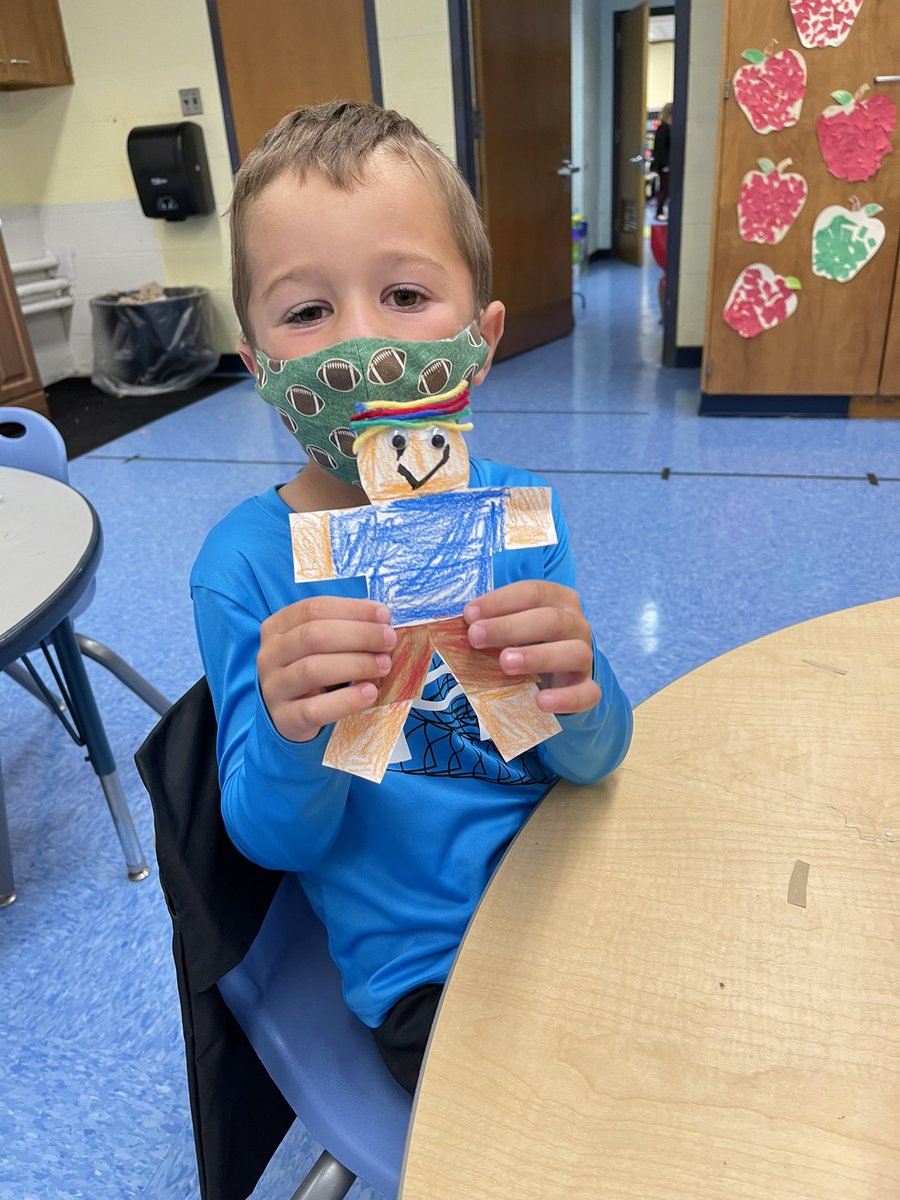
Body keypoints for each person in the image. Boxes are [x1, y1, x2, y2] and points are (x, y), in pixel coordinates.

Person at [190, 100, 633, 1096]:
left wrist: (581, 688)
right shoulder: (247, 567)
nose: (362, 345)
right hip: (428, 969)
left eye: (403, 294)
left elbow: (595, 759)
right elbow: (272, 841)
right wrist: (294, 730)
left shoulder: (517, 517)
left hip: (571, 886)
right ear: (260, 368)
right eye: (307, 312)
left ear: (481, 338)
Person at [651, 102, 673, 220]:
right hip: (664, 165)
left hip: (666, 164)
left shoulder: (665, 127)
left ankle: (660, 211)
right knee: (664, 188)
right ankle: (659, 212)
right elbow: (661, 148)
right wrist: (665, 164)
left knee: (665, 188)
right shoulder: (663, 128)